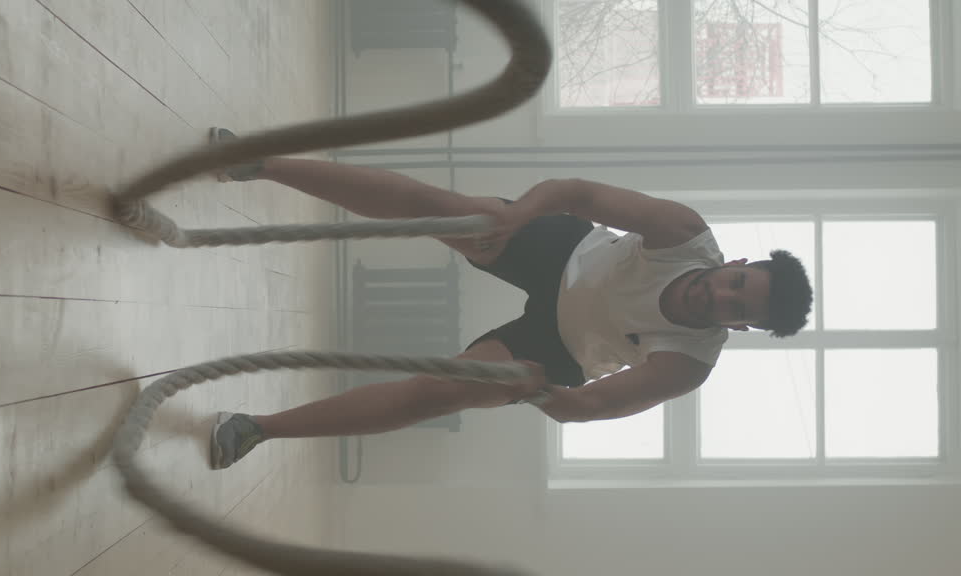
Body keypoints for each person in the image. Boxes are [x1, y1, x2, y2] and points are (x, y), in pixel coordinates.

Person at [203, 128, 813, 470]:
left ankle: (258, 429)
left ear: (741, 328)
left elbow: (589, 407)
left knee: (439, 391)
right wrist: (516, 214)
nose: (721, 296)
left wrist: (536, 389)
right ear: (736, 264)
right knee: (446, 213)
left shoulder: (688, 363)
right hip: (565, 253)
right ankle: (257, 162)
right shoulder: (683, 232)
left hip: (561, 351)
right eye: (737, 283)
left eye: (737, 308)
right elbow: (575, 191)